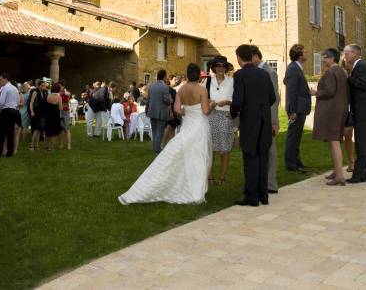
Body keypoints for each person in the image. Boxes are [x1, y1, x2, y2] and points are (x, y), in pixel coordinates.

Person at [119, 63, 211, 204]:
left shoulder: (181, 90)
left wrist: (188, 111)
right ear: (199, 75)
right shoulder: (202, 90)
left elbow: (177, 110)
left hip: (187, 126)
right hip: (199, 126)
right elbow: (205, 111)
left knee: (185, 154)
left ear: (187, 74)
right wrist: (213, 105)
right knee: (198, 155)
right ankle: (196, 190)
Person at [231, 44, 277, 207]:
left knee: (250, 158)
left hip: (249, 122)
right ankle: (263, 195)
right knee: (263, 157)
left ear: (239, 58)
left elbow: (237, 101)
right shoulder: (264, 74)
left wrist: (233, 112)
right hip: (264, 121)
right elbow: (272, 98)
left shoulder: (240, 75)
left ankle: (251, 196)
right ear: (252, 56)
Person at [312, 48, 350, 186]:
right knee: (334, 140)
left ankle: (339, 175)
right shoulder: (341, 71)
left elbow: (329, 91)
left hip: (331, 110)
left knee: (333, 141)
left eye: (325, 57)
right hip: (340, 109)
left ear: (332, 58)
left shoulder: (331, 72)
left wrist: (316, 92)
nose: (323, 60)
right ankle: (337, 170)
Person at [343, 44, 366, 183]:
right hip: (363, 110)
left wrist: (348, 77)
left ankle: (359, 175)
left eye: (347, 54)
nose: (345, 56)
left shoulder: (361, 66)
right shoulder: (359, 67)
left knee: (361, 143)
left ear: (355, 54)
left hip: (363, 111)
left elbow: (363, 84)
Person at [254, 49, 280, 194]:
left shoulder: (269, 72)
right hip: (260, 118)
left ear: (256, 57)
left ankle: (271, 183)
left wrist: (274, 122)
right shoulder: (260, 71)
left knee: (270, 151)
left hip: (268, 119)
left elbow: (274, 99)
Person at [206, 56, 234, 186]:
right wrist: (210, 102)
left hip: (225, 116)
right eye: (217, 66)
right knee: (209, 148)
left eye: (223, 66)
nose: (220, 68)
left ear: (226, 68)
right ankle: (210, 176)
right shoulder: (207, 81)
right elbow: (202, 99)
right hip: (210, 116)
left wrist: (227, 102)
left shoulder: (232, 81)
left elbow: (237, 100)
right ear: (214, 68)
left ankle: (222, 177)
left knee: (224, 148)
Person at [283, 44, 312, 171]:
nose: (307, 53)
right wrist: (291, 111)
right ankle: (291, 164)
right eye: (305, 52)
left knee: (297, 137)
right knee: (293, 137)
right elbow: (291, 91)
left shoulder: (296, 68)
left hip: (300, 108)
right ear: (300, 55)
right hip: (297, 110)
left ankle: (296, 161)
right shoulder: (293, 69)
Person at [145, 70, 173, 154]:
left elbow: (148, 100)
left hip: (151, 111)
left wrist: (147, 110)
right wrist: (170, 99)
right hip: (161, 112)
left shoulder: (151, 86)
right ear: (164, 77)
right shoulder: (164, 87)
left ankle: (155, 148)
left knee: (154, 131)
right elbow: (167, 100)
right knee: (160, 131)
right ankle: (157, 149)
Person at [0, 74, 20, 158]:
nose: (0, 81)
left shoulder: (5, 88)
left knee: (1, 133)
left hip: (6, 110)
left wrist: (0, 108)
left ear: (6, 79)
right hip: (13, 110)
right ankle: (10, 152)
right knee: (10, 132)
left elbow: (1, 102)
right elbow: (17, 100)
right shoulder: (15, 88)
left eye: (1, 80)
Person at [43, 81, 65, 150]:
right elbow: (60, 108)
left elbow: (46, 104)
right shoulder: (59, 97)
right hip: (55, 115)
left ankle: (47, 145)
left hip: (48, 115)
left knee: (48, 130)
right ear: (58, 89)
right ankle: (51, 147)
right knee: (54, 131)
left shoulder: (48, 96)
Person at [28, 79, 47, 150]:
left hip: (42, 114)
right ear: (39, 86)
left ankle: (36, 145)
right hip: (36, 113)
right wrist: (32, 111)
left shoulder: (44, 93)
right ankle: (31, 145)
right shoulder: (35, 92)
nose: (44, 87)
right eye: (42, 85)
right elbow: (31, 102)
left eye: (44, 85)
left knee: (39, 130)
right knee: (36, 130)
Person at [58, 85, 72, 150]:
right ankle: (61, 144)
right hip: (59, 111)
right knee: (60, 128)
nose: (61, 88)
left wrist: (65, 91)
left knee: (67, 128)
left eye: (62, 86)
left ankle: (69, 144)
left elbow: (68, 95)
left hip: (65, 111)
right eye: (59, 86)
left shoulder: (67, 93)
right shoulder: (58, 93)